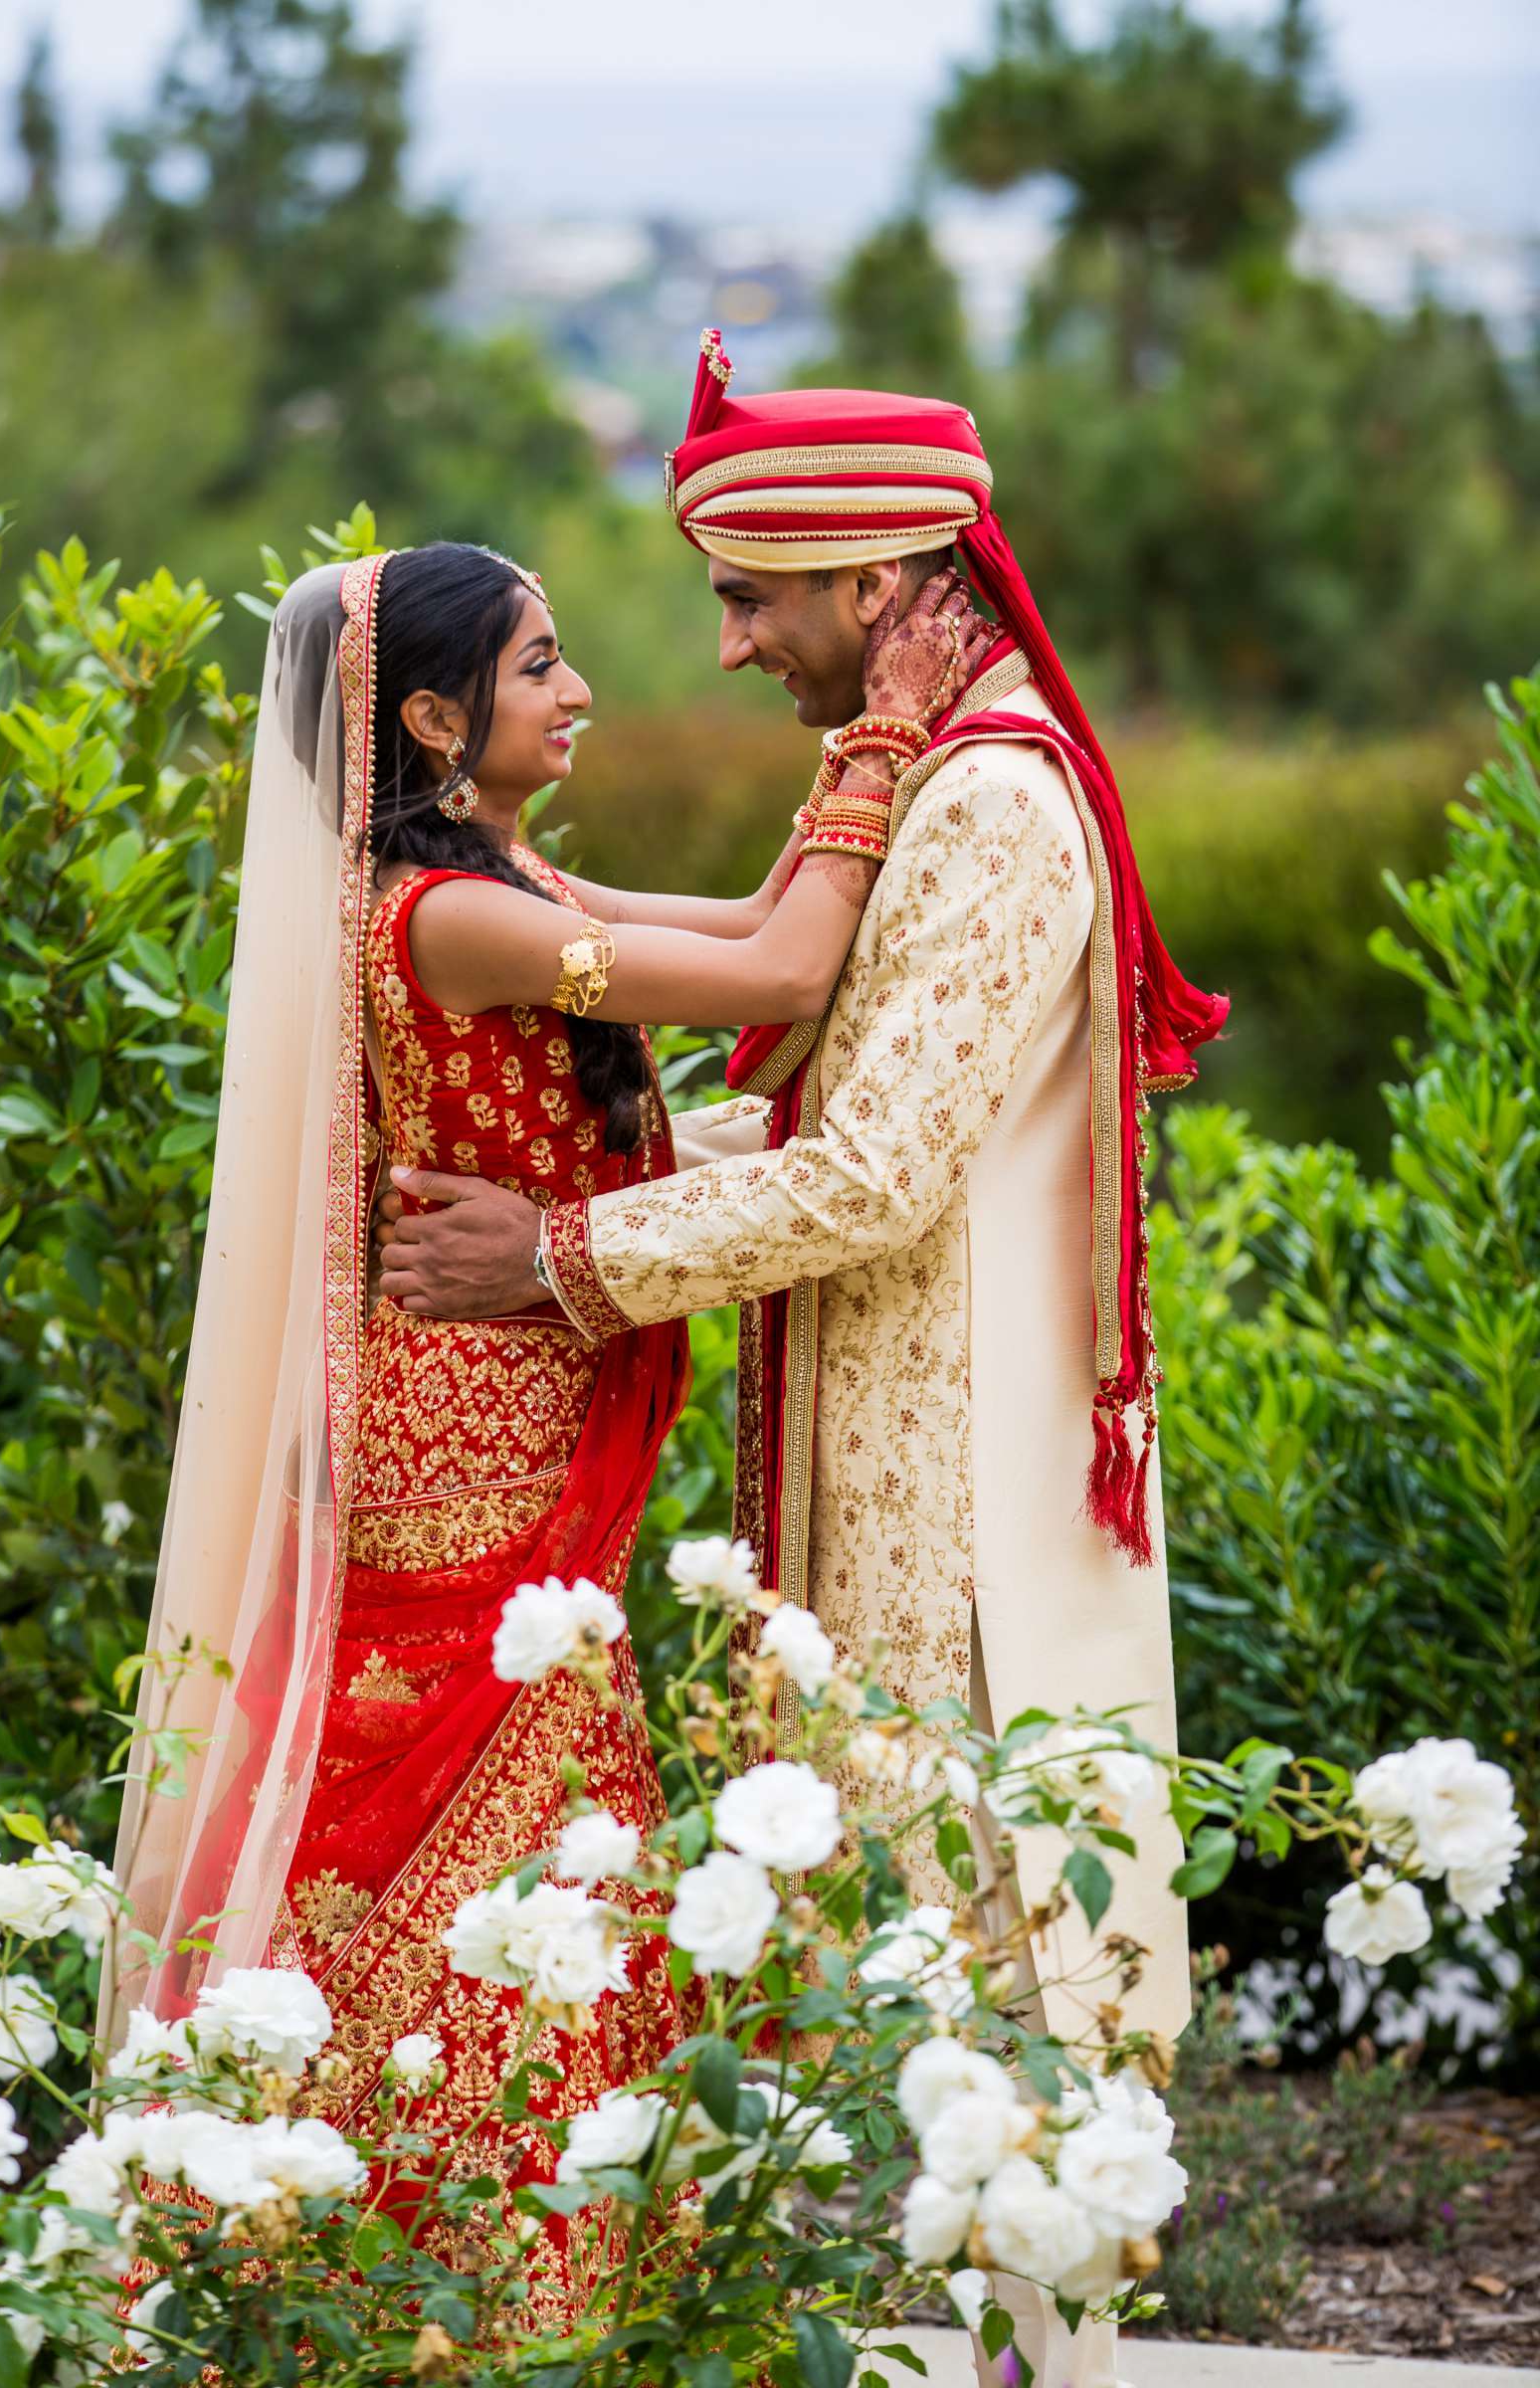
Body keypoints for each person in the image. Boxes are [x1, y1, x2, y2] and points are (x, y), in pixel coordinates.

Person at [375, 340, 1229, 2383]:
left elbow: (878, 1171)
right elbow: (832, 1111)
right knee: (929, 1969)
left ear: (861, 578)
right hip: (891, 1459)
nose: (734, 645)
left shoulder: (994, 799)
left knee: (999, 1940)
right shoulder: (937, 778)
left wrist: (565, 1248)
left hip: (970, 1504)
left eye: (754, 598)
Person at [107, 537, 979, 2298]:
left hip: (485, 1401)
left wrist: (854, 770)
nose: (579, 692)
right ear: (431, 717)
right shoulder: (448, 919)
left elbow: (747, 927)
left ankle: (468, 2249)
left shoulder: (499, 877)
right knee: (501, 1799)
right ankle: (426, 2253)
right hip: (463, 1438)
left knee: (532, 1792)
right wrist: (887, 735)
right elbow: (783, 981)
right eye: (539, 667)